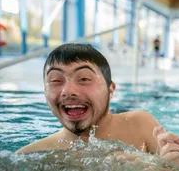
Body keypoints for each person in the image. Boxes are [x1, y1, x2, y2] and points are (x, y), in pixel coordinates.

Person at [16, 43, 162, 154]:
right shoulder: (31, 155)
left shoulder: (141, 125)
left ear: (110, 89)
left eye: (84, 79)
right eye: (56, 81)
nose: (68, 91)